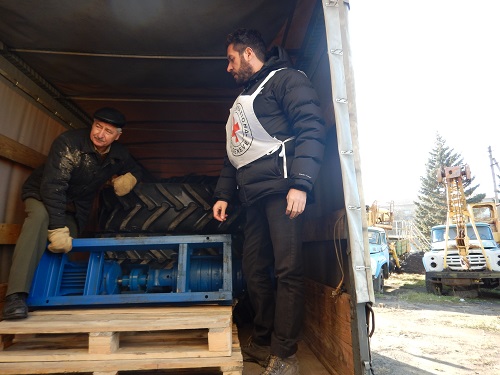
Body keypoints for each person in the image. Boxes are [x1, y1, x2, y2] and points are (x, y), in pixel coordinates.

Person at [212, 29, 326, 375]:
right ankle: (261, 342)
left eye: (231, 59)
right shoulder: (244, 98)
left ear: (248, 54)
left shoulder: (286, 80)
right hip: (251, 197)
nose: (228, 68)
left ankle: (284, 353)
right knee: (255, 272)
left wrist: (302, 184)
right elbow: (236, 151)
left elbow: (311, 127)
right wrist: (222, 193)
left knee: (287, 270)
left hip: (283, 192)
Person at [1, 107, 142, 320]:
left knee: (66, 243)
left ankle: (45, 295)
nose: (100, 134)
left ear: (117, 135)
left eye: (108, 131)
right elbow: (53, 187)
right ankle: (15, 297)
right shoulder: (69, 143)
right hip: (42, 194)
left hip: (76, 206)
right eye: (98, 127)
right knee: (39, 222)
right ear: (92, 124)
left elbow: (136, 168)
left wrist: (128, 179)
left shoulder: (119, 154)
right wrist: (57, 227)